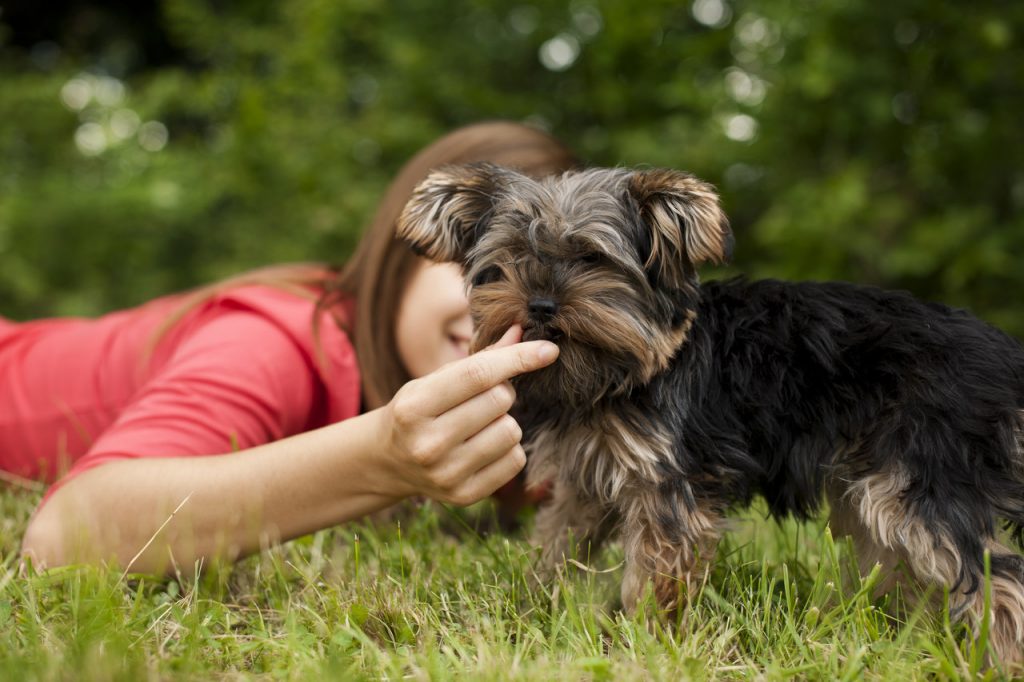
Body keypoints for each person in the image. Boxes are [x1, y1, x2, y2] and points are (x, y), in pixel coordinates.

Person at [3, 121, 578, 575]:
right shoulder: (279, 339)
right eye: (488, 266)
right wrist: (381, 457)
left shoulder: (536, 408)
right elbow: (62, 537)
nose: (522, 309)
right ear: (403, 252)